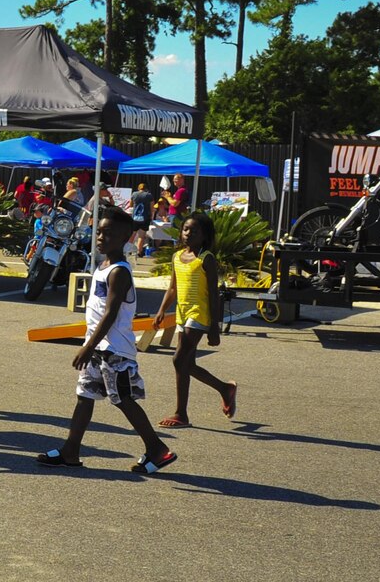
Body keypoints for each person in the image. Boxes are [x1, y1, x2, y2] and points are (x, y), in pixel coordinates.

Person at [38, 213, 176, 473]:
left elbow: (111, 313)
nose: (101, 237)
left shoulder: (119, 272)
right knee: (85, 396)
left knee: (122, 399)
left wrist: (87, 346)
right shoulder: (103, 266)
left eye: (109, 234)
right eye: (99, 231)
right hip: (98, 349)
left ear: (126, 238)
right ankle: (70, 451)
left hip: (114, 350)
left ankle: (157, 449)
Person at [151, 212, 238, 428]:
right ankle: (224, 389)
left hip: (199, 314)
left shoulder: (206, 258)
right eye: (186, 229)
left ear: (204, 236)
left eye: (195, 231)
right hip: (182, 313)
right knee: (187, 364)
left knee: (178, 360)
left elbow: (214, 293)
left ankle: (181, 414)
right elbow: (172, 287)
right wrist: (162, 310)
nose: (188, 233)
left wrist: (214, 329)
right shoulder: (177, 256)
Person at [130, 181, 158, 255]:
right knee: (141, 236)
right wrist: (152, 216)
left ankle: (128, 250)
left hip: (135, 217)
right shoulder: (149, 195)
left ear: (138, 188)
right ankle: (139, 251)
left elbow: (131, 205)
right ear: (146, 189)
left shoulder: (134, 194)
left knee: (132, 235)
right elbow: (152, 207)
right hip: (145, 218)